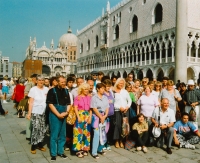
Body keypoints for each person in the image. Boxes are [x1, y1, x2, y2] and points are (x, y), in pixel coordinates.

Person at [46, 76, 71, 161]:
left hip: (64, 113)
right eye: (62, 82)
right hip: (55, 114)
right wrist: (58, 114)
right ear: (57, 82)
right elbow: (50, 104)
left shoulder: (66, 90)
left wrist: (66, 112)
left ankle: (61, 152)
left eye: (65, 82)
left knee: (62, 134)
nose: (64, 83)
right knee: (54, 134)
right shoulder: (51, 91)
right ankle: (53, 154)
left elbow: (69, 103)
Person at [27, 75, 49, 154]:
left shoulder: (46, 89)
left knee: (43, 128)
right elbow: (31, 102)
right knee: (36, 128)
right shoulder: (33, 89)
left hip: (45, 111)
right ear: (36, 81)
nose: (41, 82)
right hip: (36, 111)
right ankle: (33, 145)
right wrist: (29, 113)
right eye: (39, 80)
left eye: (42, 80)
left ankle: (40, 144)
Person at [72, 83, 92, 158]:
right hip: (80, 115)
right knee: (78, 132)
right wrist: (78, 117)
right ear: (82, 89)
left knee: (86, 133)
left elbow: (91, 109)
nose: (87, 91)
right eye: (85, 89)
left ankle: (85, 148)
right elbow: (75, 108)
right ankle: (78, 150)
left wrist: (90, 118)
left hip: (87, 115)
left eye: (88, 89)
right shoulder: (78, 97)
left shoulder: (89, 97)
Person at [90, 83, 109, 159]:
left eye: (104, 89)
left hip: (104, 116)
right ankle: (94, 152)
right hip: (96, 117)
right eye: (102, 88)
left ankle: (100, 149)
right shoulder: (94, 97)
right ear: (98, 89)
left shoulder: (105, 97)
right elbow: (94, 108)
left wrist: (105, 116)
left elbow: (107, 107)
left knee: (103, 133)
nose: (103, 90)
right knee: (97, 134)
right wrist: (100, 117)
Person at [113, 78, 132, 148]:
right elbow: (112, 103)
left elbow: (129, 100)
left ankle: (121, 140)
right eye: (120, 83)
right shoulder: (113, 92)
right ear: (117, 83)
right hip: (117, 111)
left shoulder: (125, 91)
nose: (121, 85)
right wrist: (119, 107)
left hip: (125, 111)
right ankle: (116, 140)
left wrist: (127, 107)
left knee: (124, 126)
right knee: (117, 125)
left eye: (122, 83)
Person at [102, 79, 115, 151]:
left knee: (110, 130)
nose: (108, 88)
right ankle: (103, 143)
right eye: (107, 86)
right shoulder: (103, 93)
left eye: (109, 86)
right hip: (105, 114)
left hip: (111, 113)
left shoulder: (110, 92)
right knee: (104, 130)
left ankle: (107, 143)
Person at [24, 74, 37, 141]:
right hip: (30, 103)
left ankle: (32, 133)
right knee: (29, 120)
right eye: (36, 78)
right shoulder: (30, 84)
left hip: (35, 104)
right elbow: (26, 93)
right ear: (34, 78)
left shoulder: (36, 85)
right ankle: (28, 135)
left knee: (33, 120)